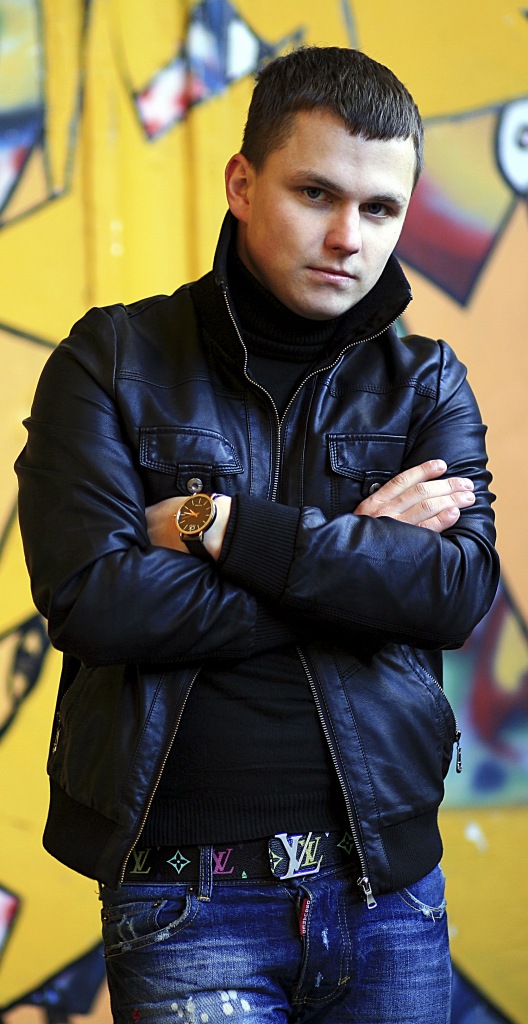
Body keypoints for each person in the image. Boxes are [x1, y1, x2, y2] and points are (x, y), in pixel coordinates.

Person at [16, 46, 499, 1024]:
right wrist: (356, 558)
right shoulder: (112, 359)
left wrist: (229, 527)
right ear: (242, 184)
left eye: (381, 209)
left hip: (389, 896)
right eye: (315, 193)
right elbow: (96, 603)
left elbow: (451, 594)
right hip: (188, 905)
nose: (348, 237)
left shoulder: (426, 383)